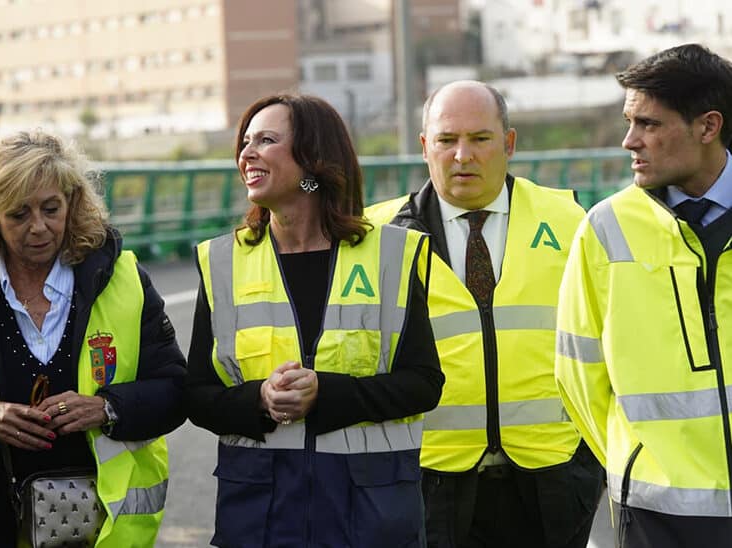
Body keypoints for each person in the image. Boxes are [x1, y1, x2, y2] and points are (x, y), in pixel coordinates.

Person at [0, 130, 187, 547]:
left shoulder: (125, 281)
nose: (39, 227)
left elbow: (175, 390)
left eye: (52, 209)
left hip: (105, 531)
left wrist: (107, 407)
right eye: (18, 214)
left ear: (73, 201)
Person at [186, 93, 443, 547]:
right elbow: (198, 395)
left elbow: (423, 384)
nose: (247, 153)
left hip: (369, 519)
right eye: (245, 142)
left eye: (266, 140)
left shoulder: (391, 255)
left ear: (313, 160)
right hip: (260, 520)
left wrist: (327, 392)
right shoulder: (222, 261)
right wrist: (260, 399)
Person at [367, 80, 604, 548]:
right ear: (424, 147)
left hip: (553, 478)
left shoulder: (572, 221)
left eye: (480, 139)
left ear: (509, 144)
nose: (462, 155)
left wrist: (590, 462)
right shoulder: (377, 236)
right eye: (446, 140)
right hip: (429, 478)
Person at [555, 43, 732, 547]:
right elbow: (578, 375)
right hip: (655, 512)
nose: (630, 141)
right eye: (629, 122)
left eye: (649, 124)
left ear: (708, 126)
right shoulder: (605, 229)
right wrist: (632, 463)